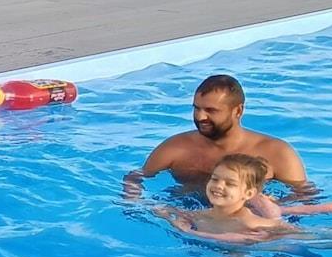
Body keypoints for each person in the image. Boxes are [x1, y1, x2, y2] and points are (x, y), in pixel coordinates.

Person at [124, 74, 313, 215]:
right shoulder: (176, 147)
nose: (200, 117)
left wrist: (273, 209)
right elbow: (136, 177)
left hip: (250, 223)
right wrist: (134, 202)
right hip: (187, 215)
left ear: (237, 111)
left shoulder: (277, 152)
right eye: (196, 108)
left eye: (211, 110)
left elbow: (305, 196)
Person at [163, 154, 298, 241]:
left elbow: (298, 233)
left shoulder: (250, 222)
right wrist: (166, 215)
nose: (218, 186)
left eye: (230, 183)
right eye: (215, 179)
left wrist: (188, 231)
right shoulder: (198, 215)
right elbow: (169, 212)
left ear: (249, 194)